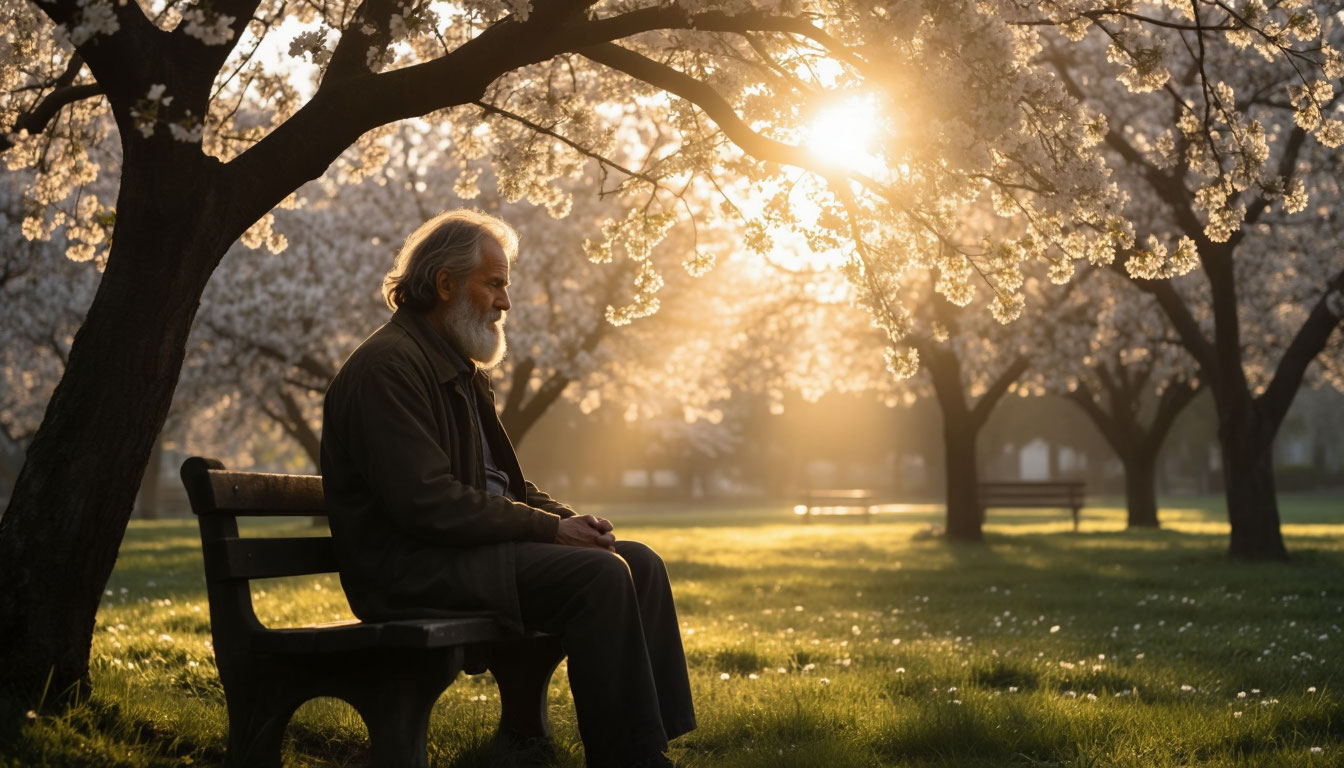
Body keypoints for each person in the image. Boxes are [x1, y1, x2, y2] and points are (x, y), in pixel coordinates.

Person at [320, 209, 695, 768]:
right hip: (409, 569)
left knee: (635, 561)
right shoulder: (389, 368)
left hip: (461, 554)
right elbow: (428, 503)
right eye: (493, 284)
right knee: (599, 577)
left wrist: (572, 521)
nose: (505, 302)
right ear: (446, 285)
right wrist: (550, 530)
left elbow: (503, 486)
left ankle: (649, 746)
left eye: (505, 286)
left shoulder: (461, 370)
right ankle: (629, 760)